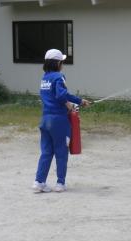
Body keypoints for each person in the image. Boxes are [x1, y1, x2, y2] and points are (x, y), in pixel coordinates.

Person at [32, 49, 90, 193]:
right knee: (61, 151)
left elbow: (54, 97)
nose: (63, 64)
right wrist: (79, 101)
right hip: (58, 121)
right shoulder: (59, 77)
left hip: (45, 119)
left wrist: (70, 106)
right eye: (62, 61)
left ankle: (39, 182)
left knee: (46, 152)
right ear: (57, 63)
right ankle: (60, 183)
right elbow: (61, 95)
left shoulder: (44, 78)